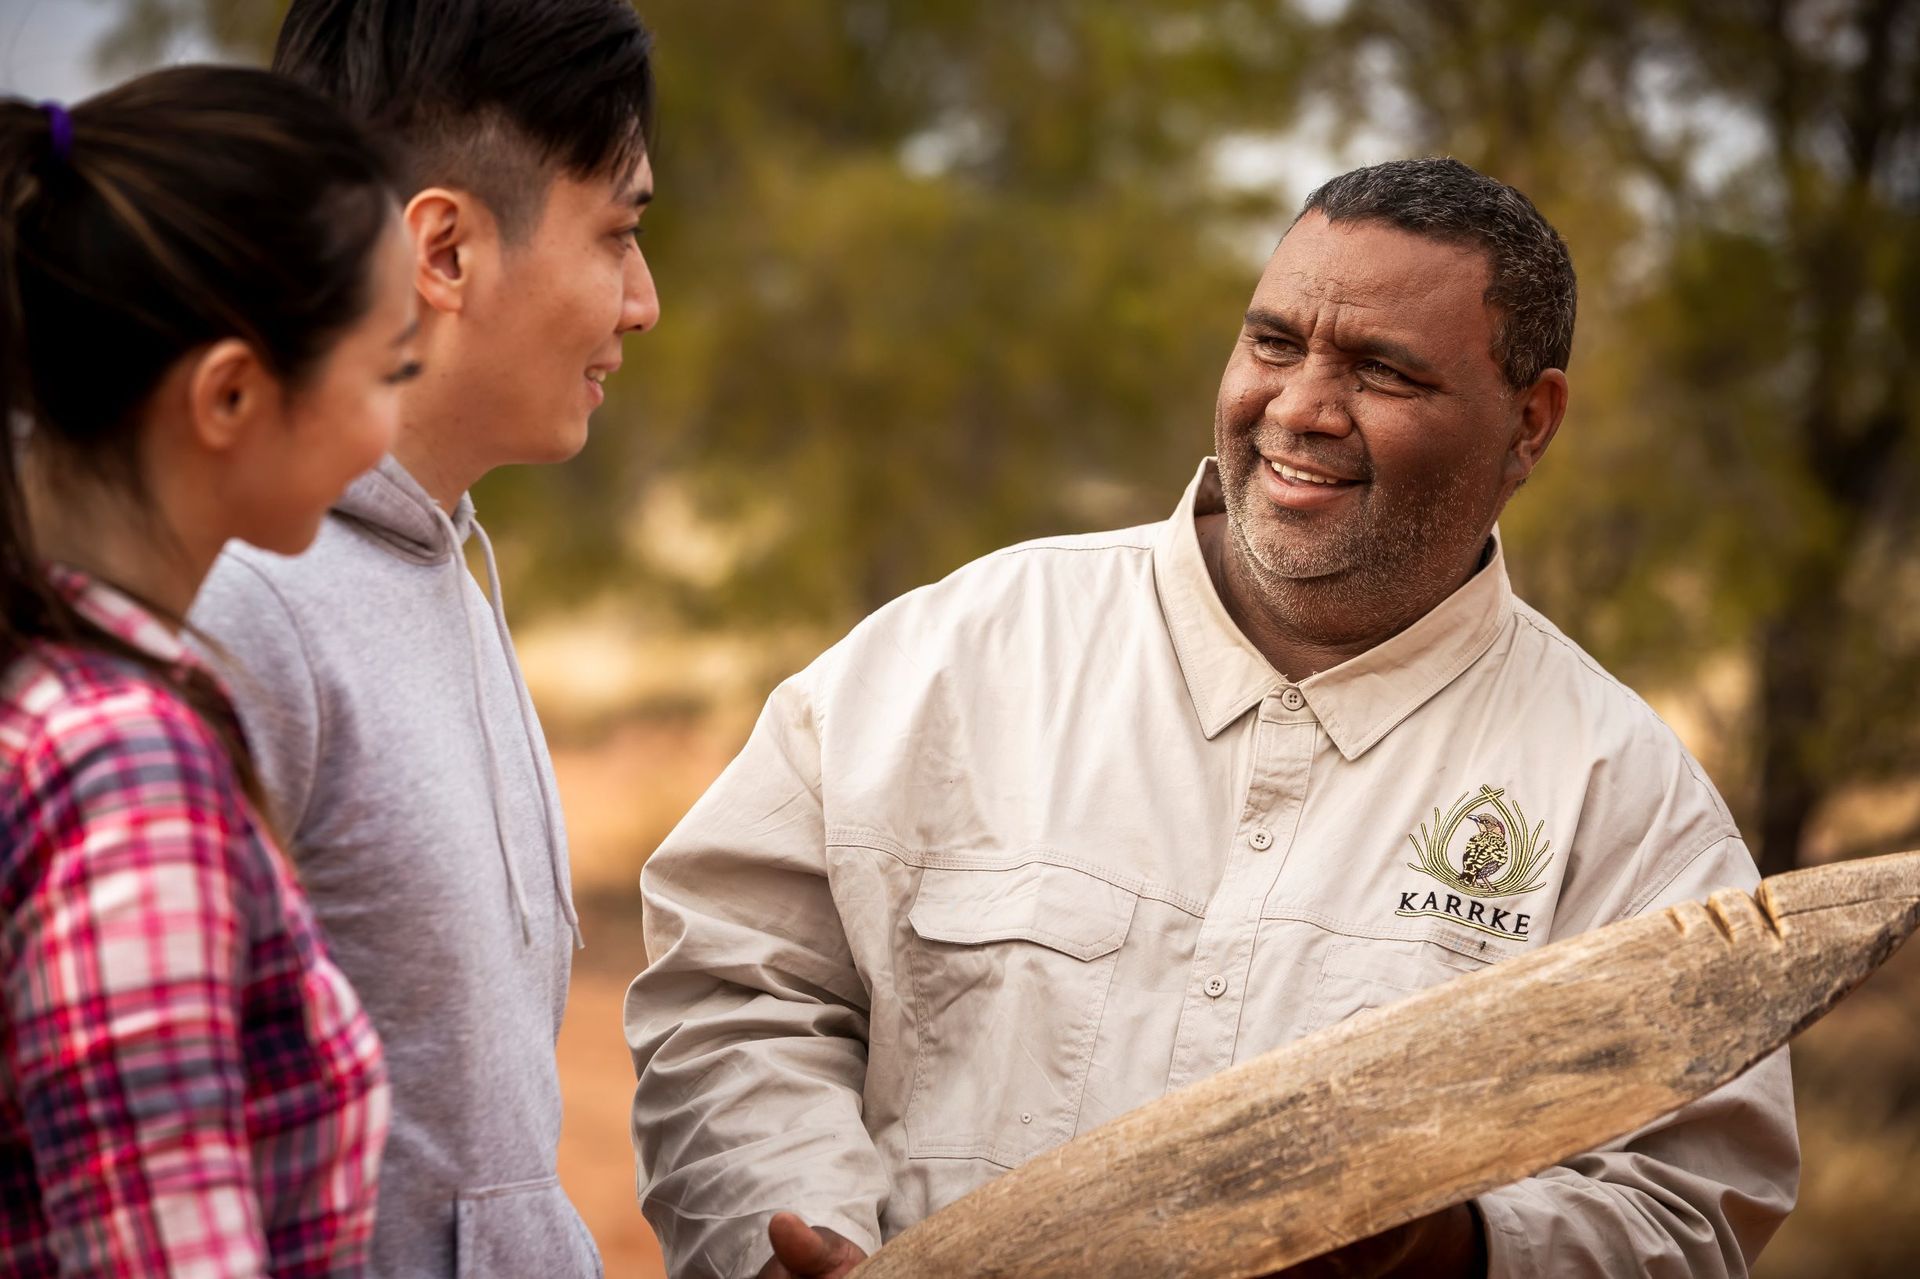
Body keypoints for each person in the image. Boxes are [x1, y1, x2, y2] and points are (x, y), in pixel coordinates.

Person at [625, 157, 1799, 1278]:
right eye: (1274, 342)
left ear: (1530, 423)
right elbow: (739, 991)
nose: (1303, 407)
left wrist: (1451, 1252)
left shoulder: (1620, 799)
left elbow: (1686, 1203)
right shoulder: (959, 654)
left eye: (1384, 372)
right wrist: (800, 1234)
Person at [186, 2, 660, 1274]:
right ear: (443, 251)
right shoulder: (238, 606)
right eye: (618, 234)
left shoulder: (446, 556)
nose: (643, 303)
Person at [0, 66, 418, 1275]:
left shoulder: (43, 689)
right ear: (232, 393)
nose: (396, 419)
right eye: (390, 369)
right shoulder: (118, 766)